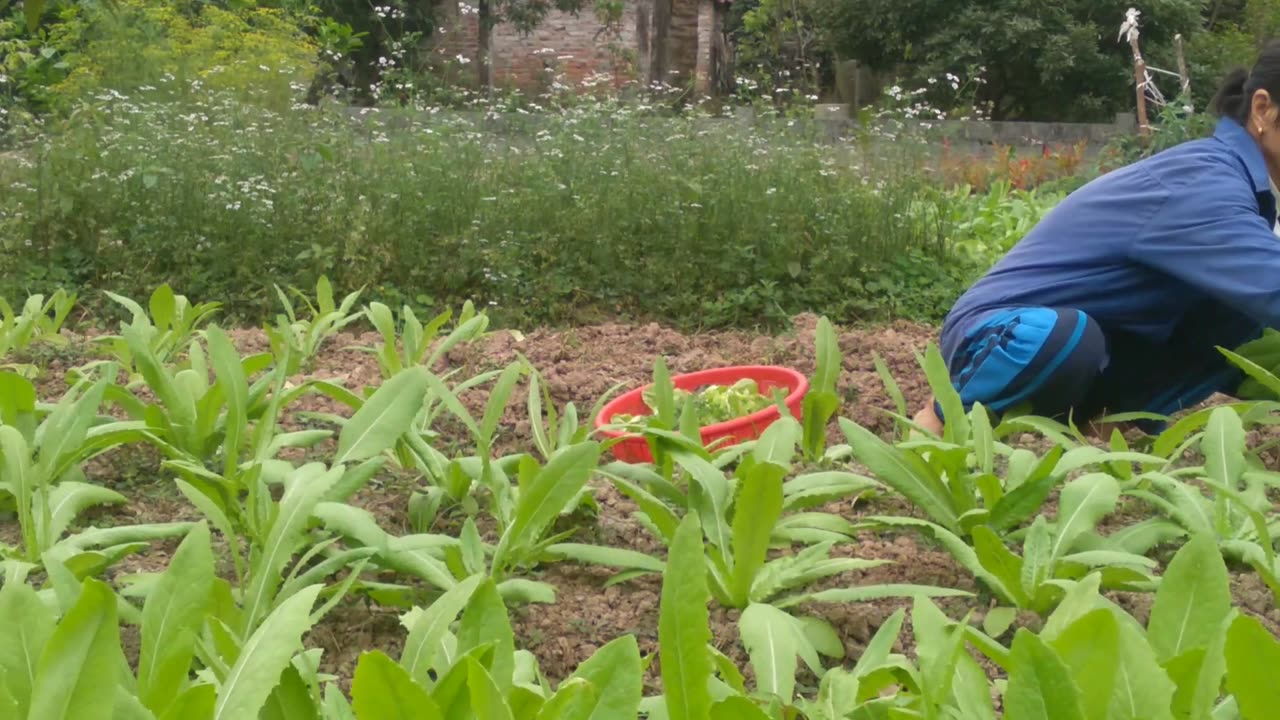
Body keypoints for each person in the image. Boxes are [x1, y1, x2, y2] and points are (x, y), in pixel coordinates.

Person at [913, 43, 1280, 437]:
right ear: (1262, 109)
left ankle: (1107, 426)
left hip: (1096, 348)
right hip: (1007, 334)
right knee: (1067, 335)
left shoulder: (1244, 189)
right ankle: (940, 418)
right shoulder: (1205, 182)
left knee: (1236, 314)